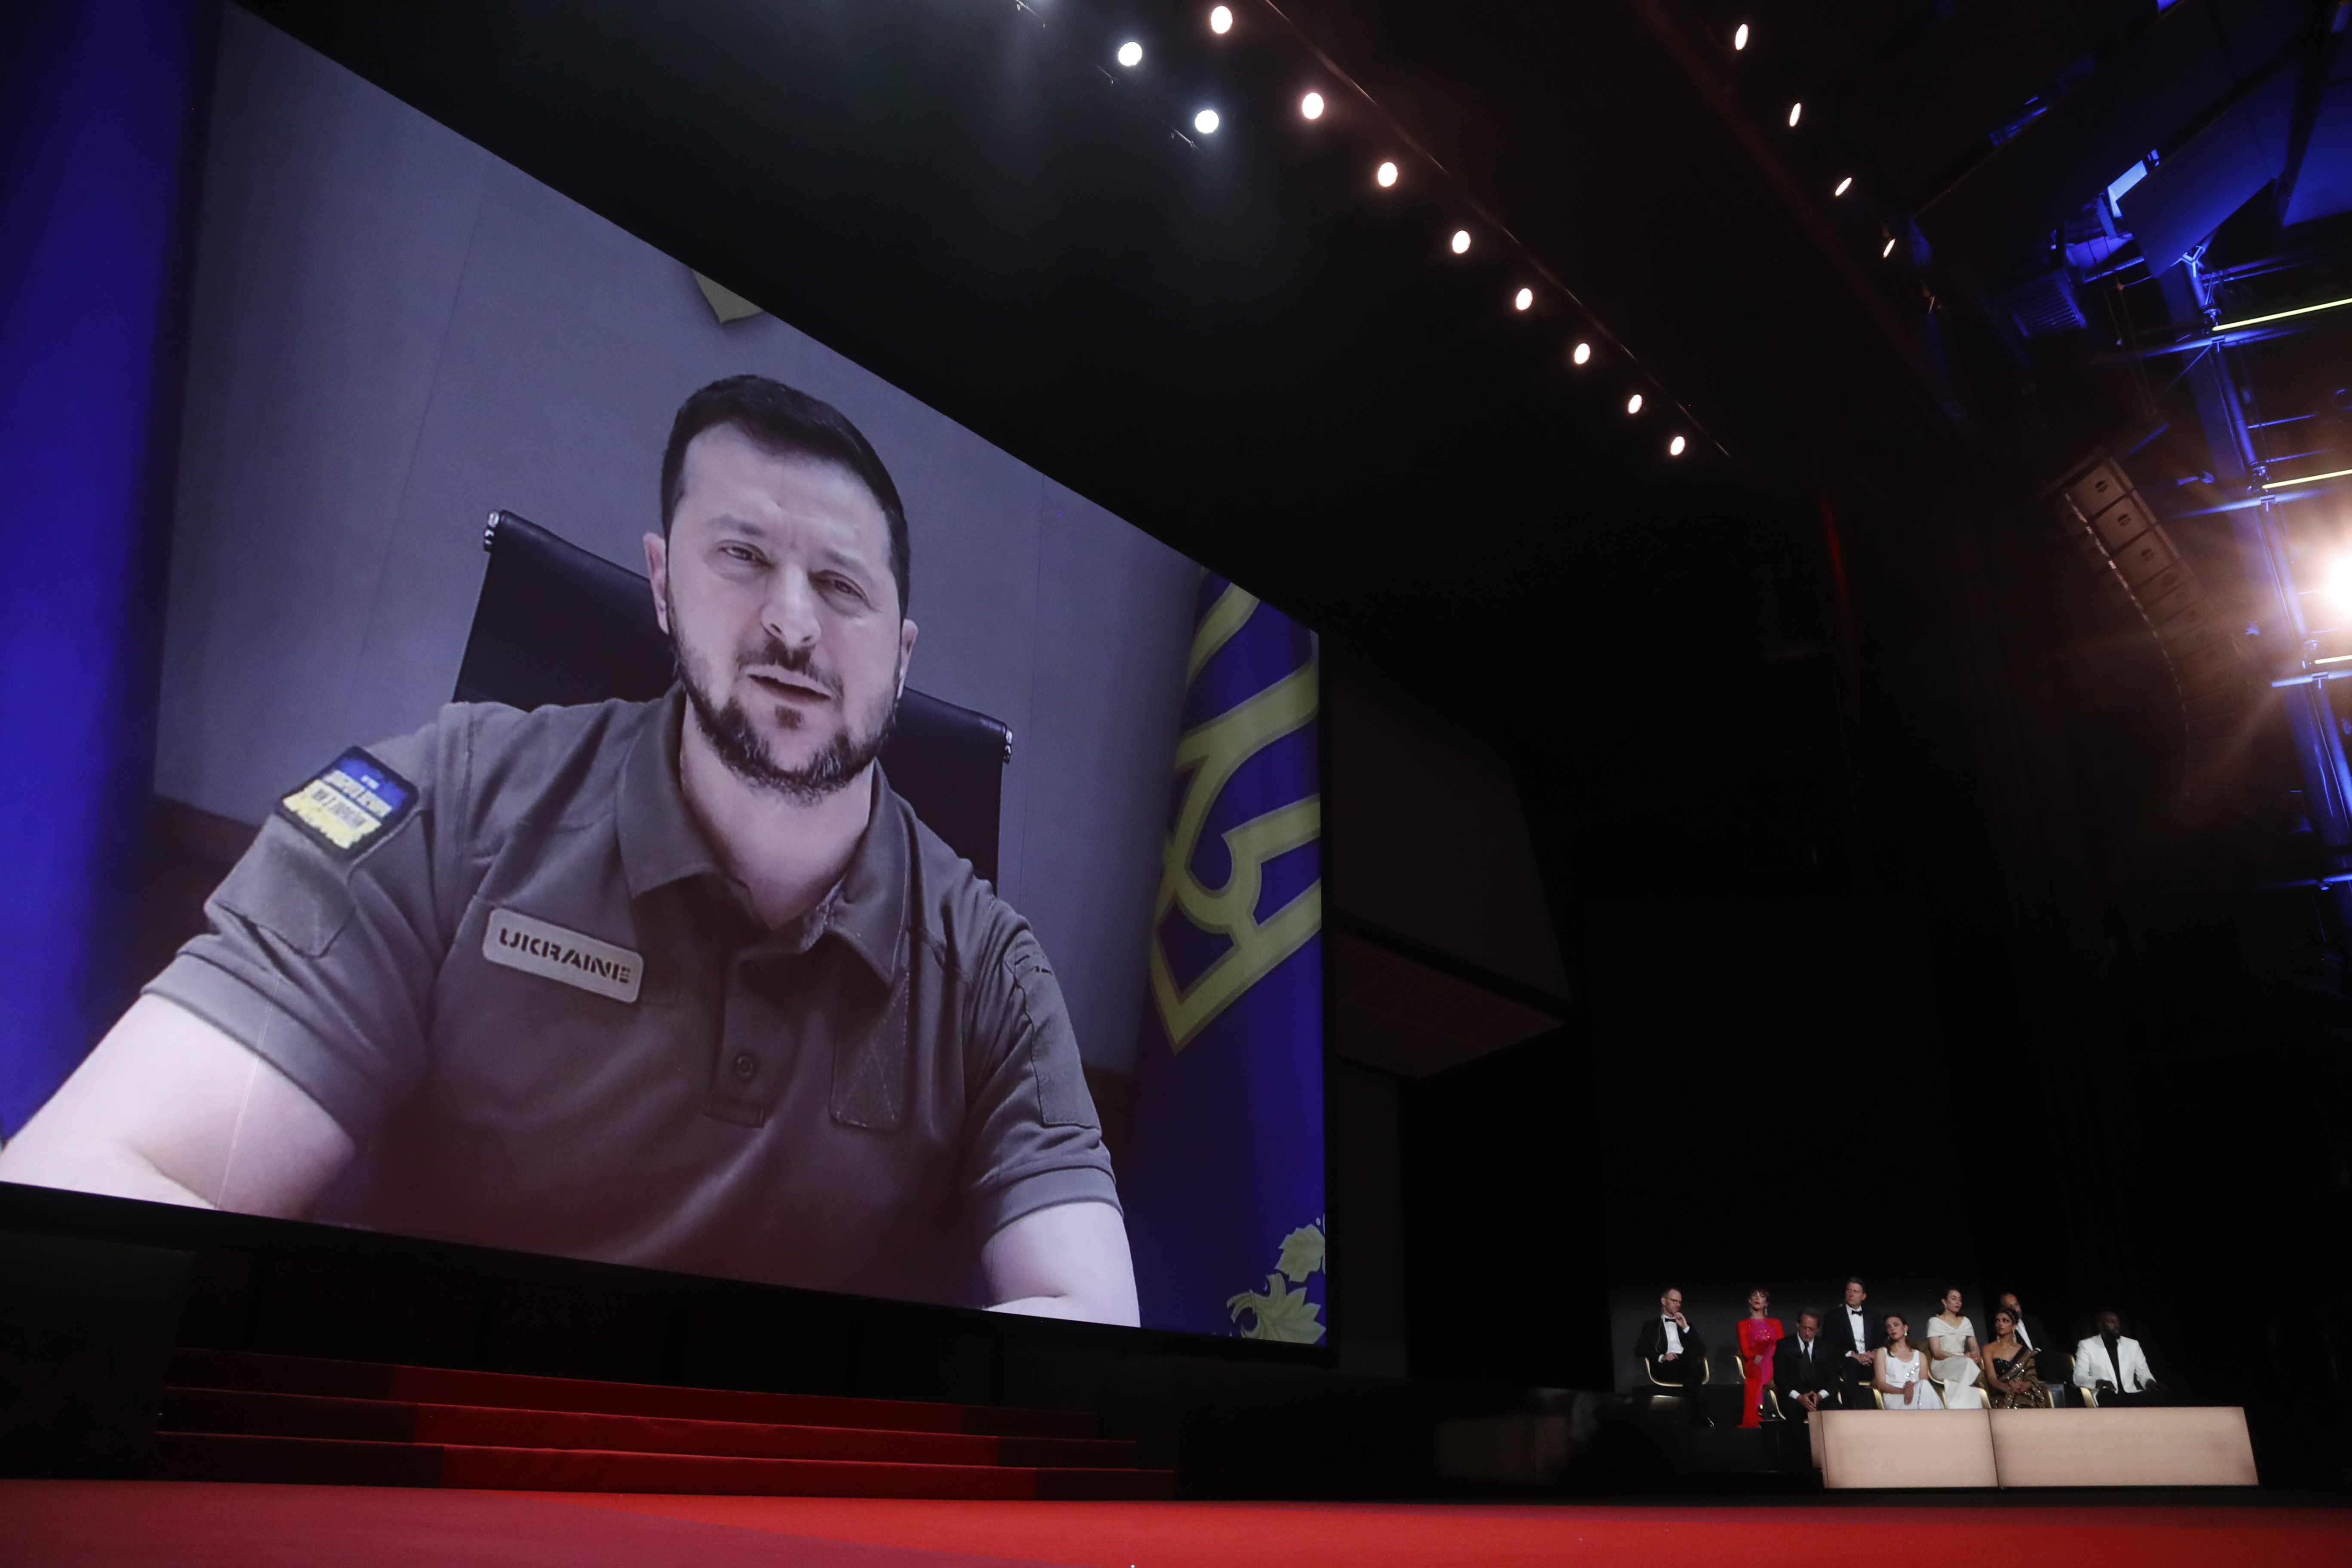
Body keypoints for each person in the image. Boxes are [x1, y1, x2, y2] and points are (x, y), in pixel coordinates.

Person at [0, 375, 1139, 1325]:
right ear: (661, 584)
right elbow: (94, 1181)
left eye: (840, 585)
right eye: (742, 556)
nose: (793, 624)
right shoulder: (445, 804)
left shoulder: (995, 970)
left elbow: (1083, 1330)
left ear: (899, 652)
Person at [1634, 1287, 1710, 1422]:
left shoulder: (1687, 1326)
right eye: (1674, 1301)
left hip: (1687, 1365)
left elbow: (1702, 1350)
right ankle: (1704, 1418)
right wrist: (1662, 1357)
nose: (1678, 1305)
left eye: (1680, 1302)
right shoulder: (1651, 1326)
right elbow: (1639, 1350)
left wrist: (1686, 1328)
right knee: (1695, 1379)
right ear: (1664, 1301)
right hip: (1668, 1367)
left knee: (1693, 1353)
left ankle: (1690, 1384)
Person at [2072, 1311, 2168, 1406]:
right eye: (2112, 1322)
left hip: (2130, 1394)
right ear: (2101, 1325)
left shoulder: (2132, 1345)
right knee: (2108, 1397)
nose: (2117, 1325)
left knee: (2159, 1394)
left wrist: (2150, 1383)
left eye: (2118, 1322)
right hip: (2107, 1395)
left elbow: (2143, 1373)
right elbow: (2079, 1377)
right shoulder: (2087, 1345)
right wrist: (2098, 1382)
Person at [1818, 1277, 1883, 1409]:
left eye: (1855, 1291)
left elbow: (1881, 1342)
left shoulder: (1874, 1316)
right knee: (1851, 1364)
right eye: (1849, 1290)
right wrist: (1852, 1355)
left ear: (1864, 1296)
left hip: (1871, 1362)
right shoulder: (1833, 1316)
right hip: (1848, 1363)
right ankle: (1855, 1409)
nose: (1851, 1294)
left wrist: (1874, 1354)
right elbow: (1828, 1345)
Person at [1771, 1309, 1837, 1425]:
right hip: (1794, 1398)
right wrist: (1799, 1397)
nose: (1807, 1333)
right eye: (1804, 1328)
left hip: (1819, 1397)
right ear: (1798, 1325)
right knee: (1793, 1412)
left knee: (1835, 1409)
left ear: (1818, 1329)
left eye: (1811, 1329)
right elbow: (1780, 1377)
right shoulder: (1784, 1345)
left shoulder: (1826, 1348)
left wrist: (1820, 1396)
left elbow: (1833, 1378)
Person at [1982, 1306, 2052, 1409]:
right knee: (2014, 1400)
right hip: (2001, 1394)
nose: (2000, 1324)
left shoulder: (2026, 1352)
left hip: (2024, 1392)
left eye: (2005, 1321)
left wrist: (2025, 1386)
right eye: (1998, 1321)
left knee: (2024, 1401)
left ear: (2014, 1326)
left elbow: (2032, 1377)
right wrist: (2006, 1387)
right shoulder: (1988, 1349)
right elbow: (1992, 1378)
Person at [1926, 1288, 1985, 1409]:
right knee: (1968, 1363)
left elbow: (1975, 1348)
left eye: (1960, 1300)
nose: (1958, 1302)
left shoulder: (1966, 1322)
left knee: (1968, 1363)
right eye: (1954, 1299)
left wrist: (1975, 1355)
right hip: (1942, 1363)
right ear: (1944, 1301)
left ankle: (1956, 1404)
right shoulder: (1935, 1322)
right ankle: (1964, 1404)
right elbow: (1937, 1353)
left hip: (1963, 1363)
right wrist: (1962, 1357)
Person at [1733, 1287, 1784, 1427]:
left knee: (1775, 1348)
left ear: (1766, 1303)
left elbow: (1782, 1346)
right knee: (1763, 1365)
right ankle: (1759, 1411)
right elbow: (1746, 1352)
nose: (1757, 1299)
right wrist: (1759, 1355)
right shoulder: (1742, 1325)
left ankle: (1763, 1408)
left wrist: (1766, 1354)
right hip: (1754, 1363)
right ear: (1750, 1301)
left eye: (1761, 1297)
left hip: (1774, 1361)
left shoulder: (1776, 1323)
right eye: (1754, 1296)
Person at [1872, 1314, 1945, 1410]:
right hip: (1895, 1396)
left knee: (1924, 1386)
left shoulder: (1920, 1356)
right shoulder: (1883, 1353)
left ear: (1905, 1328)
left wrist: (1911, 1388)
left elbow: (1924, 1382)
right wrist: (1903, 1391)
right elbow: (1881, 1384)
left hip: (1917, 1393)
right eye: (1889, 1327)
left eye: (1896, 1325)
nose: (1893, 1329)